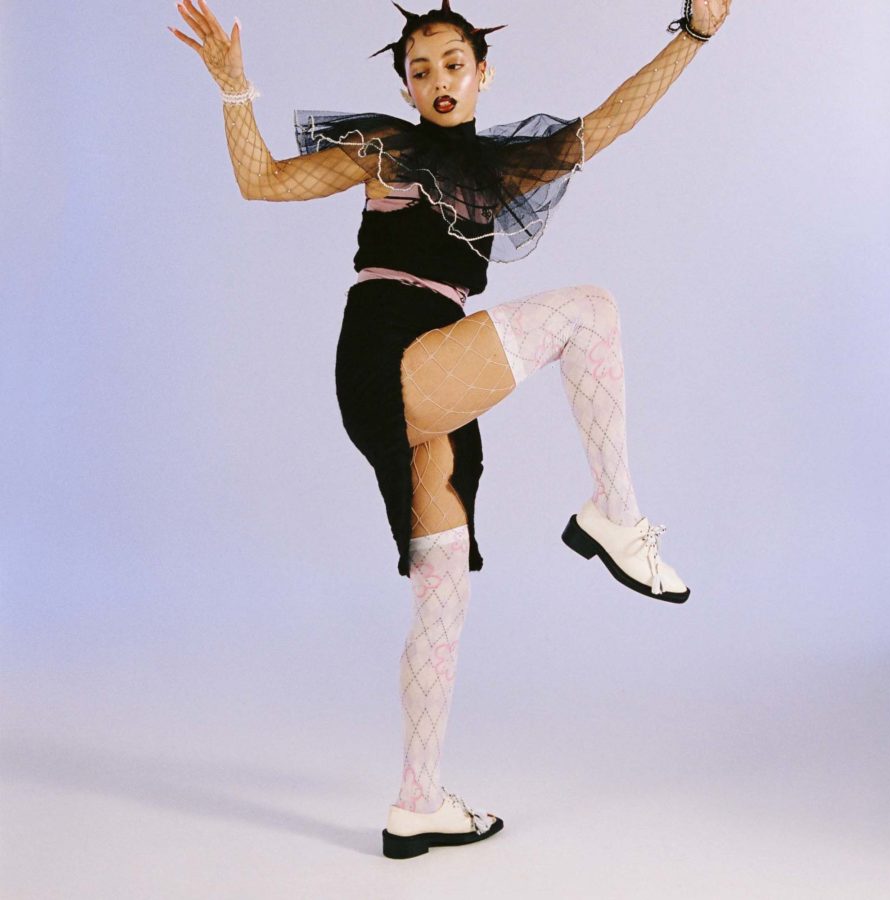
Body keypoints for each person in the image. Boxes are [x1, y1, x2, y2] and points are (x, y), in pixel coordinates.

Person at [169, 0, 731, 859]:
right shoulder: (385, 150)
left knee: (443, 595)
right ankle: (615, 515)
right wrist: (234, 90)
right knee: (588, 310)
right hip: (388, 354)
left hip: (441, 366)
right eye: (421, 69)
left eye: (453, 65)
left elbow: (610, 121)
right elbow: (262, 181)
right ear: (405, 85)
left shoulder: (501, 169)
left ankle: (417, 802)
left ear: (482, 74)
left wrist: (693, 36)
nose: (437, 79)